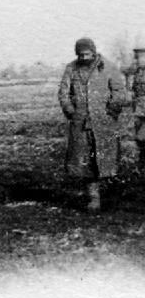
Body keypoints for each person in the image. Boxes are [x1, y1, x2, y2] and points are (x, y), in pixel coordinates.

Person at [58, 37, 126, 211]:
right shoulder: (71, 68)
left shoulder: (108, 67)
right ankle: (93, 199)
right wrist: (71, 112)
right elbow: (63, 93)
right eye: (80, 55)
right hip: (80, 124)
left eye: (87, 54)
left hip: (104, 122)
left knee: (107, 159)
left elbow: (119, 91)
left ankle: (113, 194)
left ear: (94, 52)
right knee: (86, 163)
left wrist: (112, 110)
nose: (84, 58)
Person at [128, 47, 145, 168]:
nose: (138, 60)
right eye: (137, 57)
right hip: (138, 109)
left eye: (141, 57)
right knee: (138, 138)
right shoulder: (138, 72)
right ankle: (142, 160)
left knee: (141, 136)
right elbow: (134, 90)